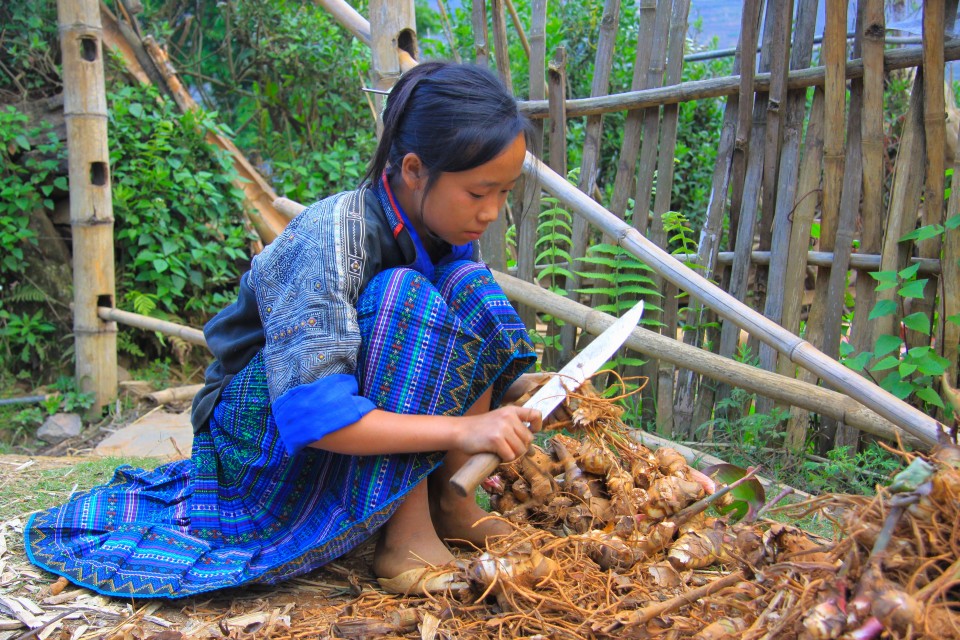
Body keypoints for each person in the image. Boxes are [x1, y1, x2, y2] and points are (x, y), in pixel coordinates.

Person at [25, 61, 544, 598]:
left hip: (344, 418)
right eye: (480, 192)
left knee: (470, 285)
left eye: (504, 193)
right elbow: (312, 415)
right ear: (413, 169)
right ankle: (405, 538)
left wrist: (514, 393)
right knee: (402, 295)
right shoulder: (333, 237)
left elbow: (457, 349)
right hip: (260, 433)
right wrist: (461, 431)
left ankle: (449, 501)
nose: (492, 212)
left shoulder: (448, 231)